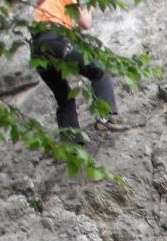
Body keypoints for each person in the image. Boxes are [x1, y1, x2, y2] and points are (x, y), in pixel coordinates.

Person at [30, 0, 130, 141]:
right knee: (98, 71)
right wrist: (91, 7)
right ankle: (104, 117)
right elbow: (85, 23)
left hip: (37, 51)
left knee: (64, 98)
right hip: (55, 38)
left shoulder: (41, 7)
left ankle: (71, 143)